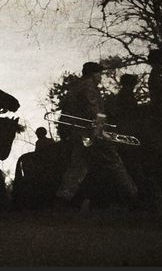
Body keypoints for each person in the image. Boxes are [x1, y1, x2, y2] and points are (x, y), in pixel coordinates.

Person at [55, 62, 139, 210]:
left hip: (80, 133)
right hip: (92, 133)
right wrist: (102, 131)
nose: (100, 77)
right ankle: (135, 197)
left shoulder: (76, 87)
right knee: (115, 162)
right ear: (93, 74)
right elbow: (94, 112)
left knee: (77, 168)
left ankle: (62, 200)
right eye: (99, 74)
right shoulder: (89, 88)